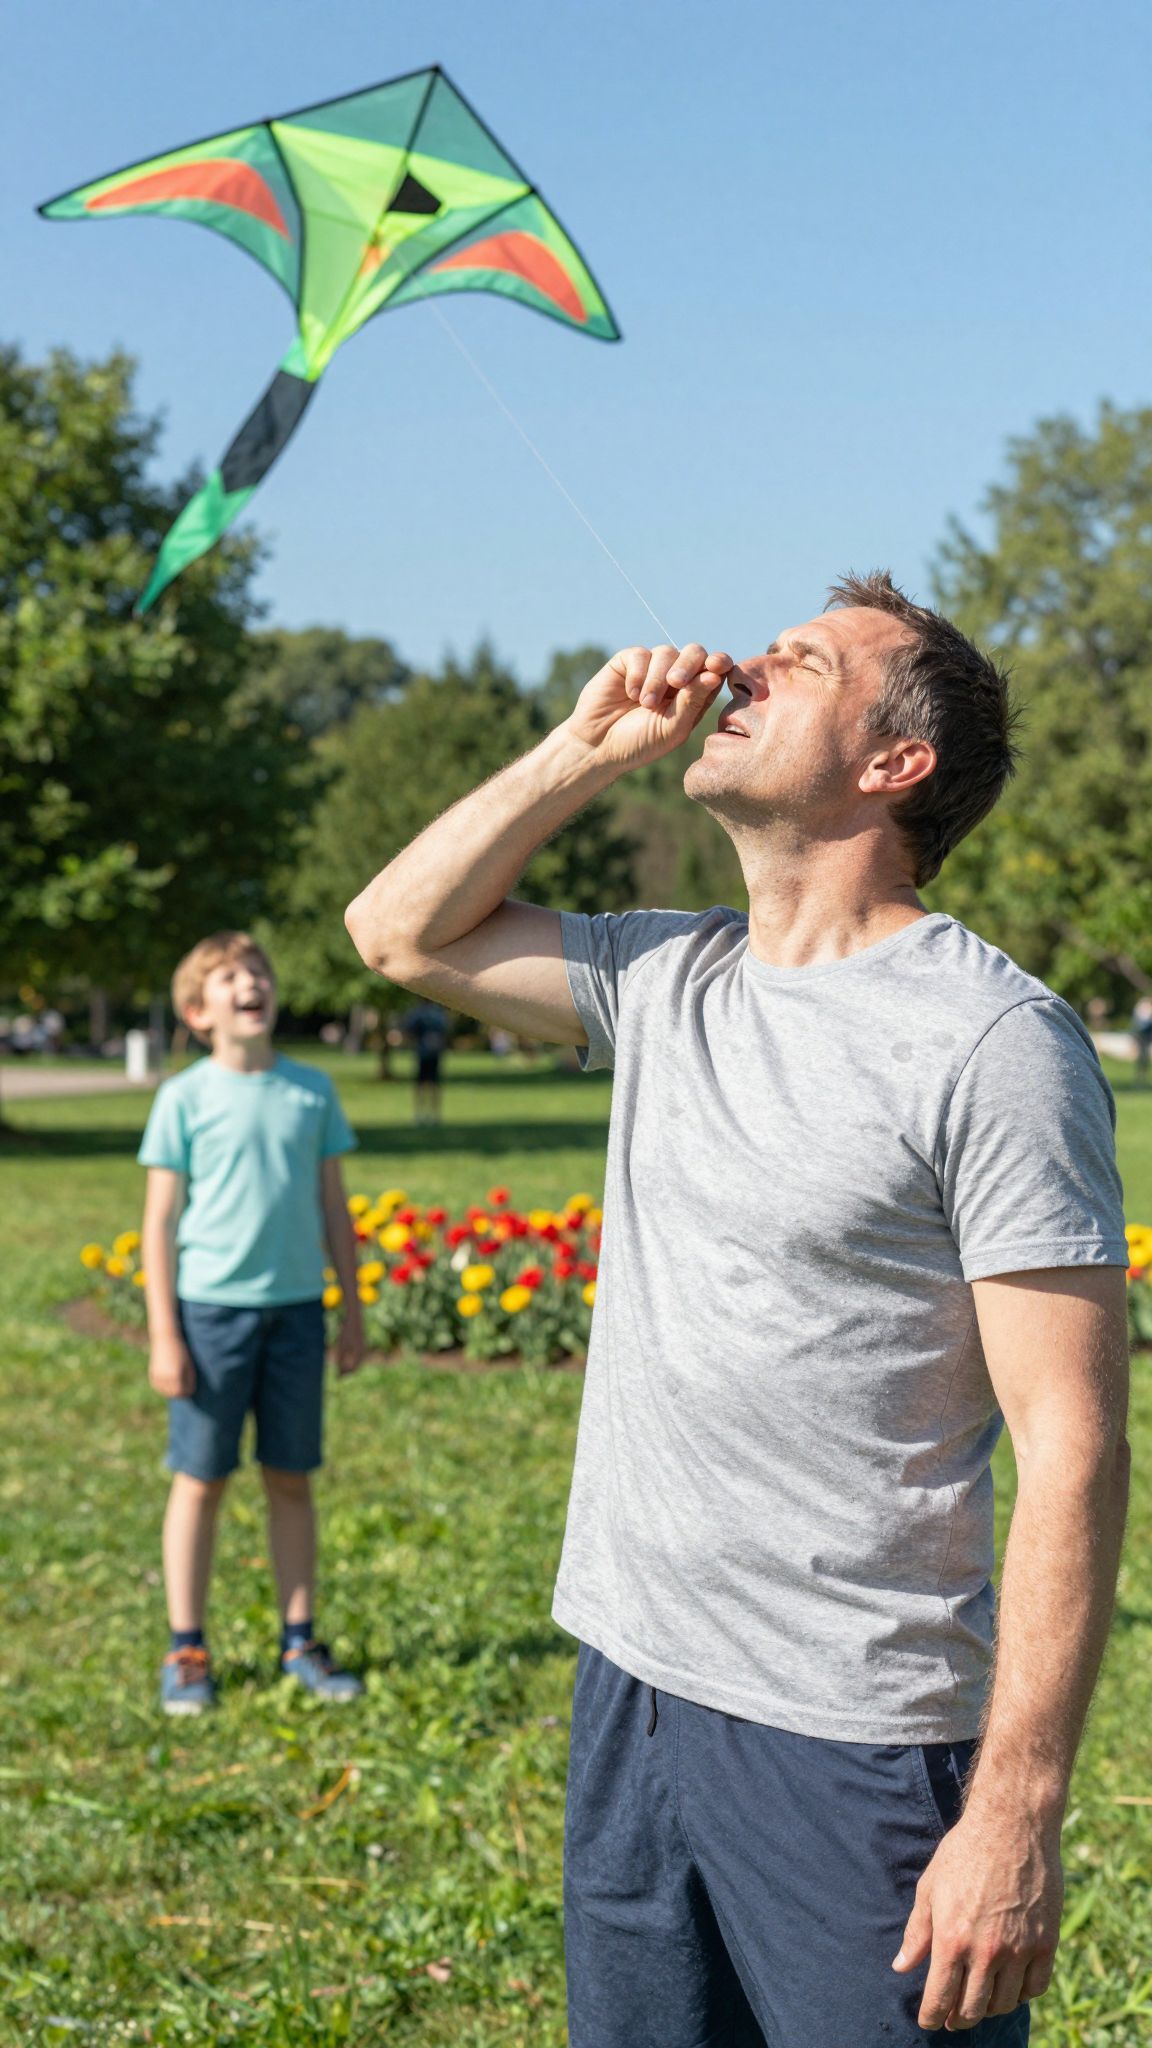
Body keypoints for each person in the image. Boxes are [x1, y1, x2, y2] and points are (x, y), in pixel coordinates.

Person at [344, 574, 1131, 2045]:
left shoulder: (995, 1044)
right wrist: (581, 753)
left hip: (857, 1747)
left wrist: (1015, 1815)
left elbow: (1073, 1448)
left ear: (894, 764)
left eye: (806, 663)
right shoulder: (663, 972)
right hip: (631, 1689)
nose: (746, 669)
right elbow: (394, 933)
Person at [138, 931, 366, 1716]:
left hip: (298, 1316)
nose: (251, 983)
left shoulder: (312, 1092)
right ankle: (186, 1646)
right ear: (199, 1012)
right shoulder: (184, 1099)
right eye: (229, 976)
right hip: (209, 1319)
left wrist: (354, 1311)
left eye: (259, 970)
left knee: (290, 1478)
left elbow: (335, 1210)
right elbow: (158, 1225)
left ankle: (299, 1636)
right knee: (200, 1481)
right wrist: (165, 1334)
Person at [400, 999, 450, 1124]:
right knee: (430, 1085)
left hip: (426, 1054)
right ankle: (428, 1114)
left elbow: (409, 1030)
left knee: (426, 1085)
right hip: (427, 1053)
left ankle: (425, 1114)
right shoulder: (437, 1014)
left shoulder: (421, 1013)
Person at [1130, 995, 1152, 1082]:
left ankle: (1142, 1074)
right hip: (1142, 1035)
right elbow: (1139, 1024)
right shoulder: (1142, 1009)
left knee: (1144, 1056)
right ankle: (1140, 1075)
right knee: (1143, 1056)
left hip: (1147, 1035)